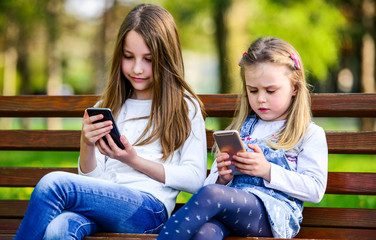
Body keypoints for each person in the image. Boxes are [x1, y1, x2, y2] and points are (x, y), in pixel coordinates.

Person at [15, 4, 207, 240]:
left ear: (166, 58)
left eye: (148, 59)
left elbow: (196, 179)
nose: (137, 68)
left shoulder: (184, 106)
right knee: (60, 227)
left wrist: (135, 161)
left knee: (52, 186)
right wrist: (87, 144)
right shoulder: (107, 106)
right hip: (106, 205)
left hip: (149, 210)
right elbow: (92, 183)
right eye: (128, 57)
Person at [157, 37, 328, 239]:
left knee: (212, 195)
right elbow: (209, 187)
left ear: (295, 88)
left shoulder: (308, 133)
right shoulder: (242, 130)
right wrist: (221, 177)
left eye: (271, 90)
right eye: (253, 90)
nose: (261, 98)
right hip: (231, 210)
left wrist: (267, 170)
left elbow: (315, 190)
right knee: (205, 232)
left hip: (272, 215)